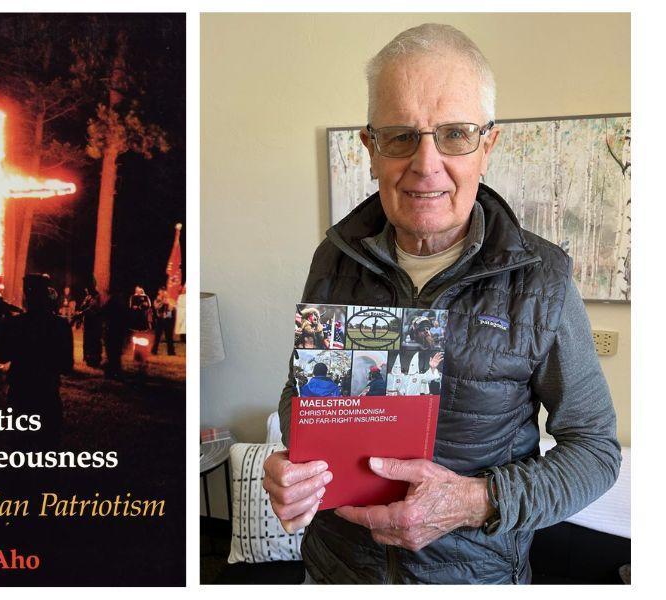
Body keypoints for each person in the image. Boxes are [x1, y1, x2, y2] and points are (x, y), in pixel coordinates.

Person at [263, 24, 620, 584]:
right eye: (401, 136)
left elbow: (596, 451)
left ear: (488, 144)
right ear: (370, 148)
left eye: (454, 134)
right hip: (334, 572)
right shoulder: (332, 261)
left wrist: (476, 501)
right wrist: (295, 459)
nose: (426, 164)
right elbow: (300, 395)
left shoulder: (543, 280)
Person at [0, 274, 73, 445]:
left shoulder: (16, 324)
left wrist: (2, 330)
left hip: (20, 392)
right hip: (48, 392)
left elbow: (1, 355)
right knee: (47, 449)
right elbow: (66, 366)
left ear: (27, 296)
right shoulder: (60, 325)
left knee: (19, 448)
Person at [102, 289, 130, 379]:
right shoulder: (122, 303)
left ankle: (111, 372)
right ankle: (115, 371)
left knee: (111, 353)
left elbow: (103, 312)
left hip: (111, 330)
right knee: (116, 353)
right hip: (118, 331)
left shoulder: (110, 302)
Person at [76, 284, 103, 367]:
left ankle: (94, 359)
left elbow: (91, 308)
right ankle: (86, 357)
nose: (86, 291)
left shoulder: (97, 297)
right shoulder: (88, 297)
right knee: (86, 340)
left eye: (87, 289)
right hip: (87, 322)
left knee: (94, 341)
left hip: (94, 323)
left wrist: (81, 313)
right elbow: (82, 307)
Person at [151, 286, 176, 356]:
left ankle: (171, 352)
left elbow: (172, 308)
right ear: (159, 292)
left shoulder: (170, 299)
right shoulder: (157, 299)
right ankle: (154, 351)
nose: (162, 293)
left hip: (168, 319)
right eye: (161, 291)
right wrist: (162, 302)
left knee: (169, 337)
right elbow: (156, 307)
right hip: (159, 319)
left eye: (164, 291)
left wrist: (168, 302)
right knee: (157, 336)